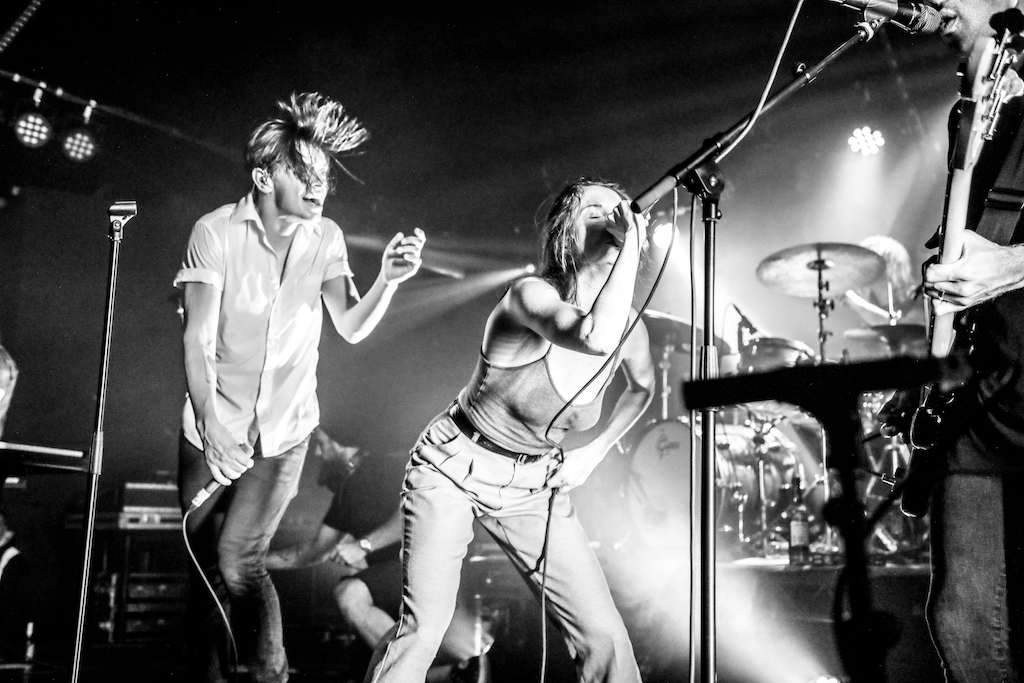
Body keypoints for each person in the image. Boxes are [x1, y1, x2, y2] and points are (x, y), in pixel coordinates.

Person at [174, 92, 425, 683]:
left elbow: (351, 326)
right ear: (264, 177)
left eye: (324, 177)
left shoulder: (326, 237)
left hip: (283, 435)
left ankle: (271, 676)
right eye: (304, 174)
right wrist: (211, 427)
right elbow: (197, 340)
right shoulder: (214, 232)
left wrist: (388, 281)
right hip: (209, 425)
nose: (319, 188)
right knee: (201, 566)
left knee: (240, 561)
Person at [362, 177, 656, 683]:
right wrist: (630, 245)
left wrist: (595, 451)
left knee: (604, 636)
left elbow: (643, 388)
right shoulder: (530, 295)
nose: (614, 222)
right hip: (453, 465)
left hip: (535, 486)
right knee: (424, 628)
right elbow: (592, 336)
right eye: (596, 213)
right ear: (565, 236)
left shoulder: (631, 328)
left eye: (618, 212)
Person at [884, 3, 1024, 681]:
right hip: (978, 401)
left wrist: (1013, 266)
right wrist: (928, 369)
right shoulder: (972, 111)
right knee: (962, 623)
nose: (933, 2)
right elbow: (961, 259)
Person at [265, 429, 491, 681]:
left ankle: (433, 674)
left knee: (351, 594)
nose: (318, 453)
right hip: (388, 584)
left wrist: (364, 545)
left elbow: (411, 512)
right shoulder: (345, 493)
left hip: (425, 566)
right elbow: (313, 551)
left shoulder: (385, 466)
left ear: (341, 441)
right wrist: (253, 561)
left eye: (322, 444)